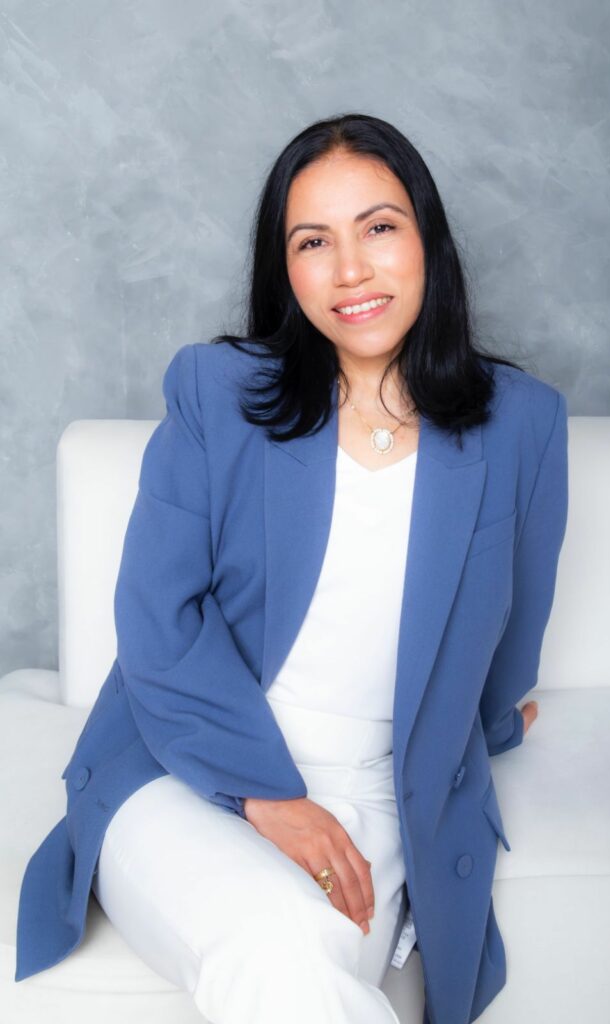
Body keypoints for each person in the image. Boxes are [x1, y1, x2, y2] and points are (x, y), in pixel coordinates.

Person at [15, 113, 568, 1024]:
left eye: (379, 227)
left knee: (300, 963)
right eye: (314, 241)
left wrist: (496, 723)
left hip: (381, 794)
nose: (350, 270)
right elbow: (157, 618)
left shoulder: (522, 424)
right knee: (272, 946)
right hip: (182, 769)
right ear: (286, 269)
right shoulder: (217, 392)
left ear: (428, 240)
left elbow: (511, 633)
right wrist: (266, 794)